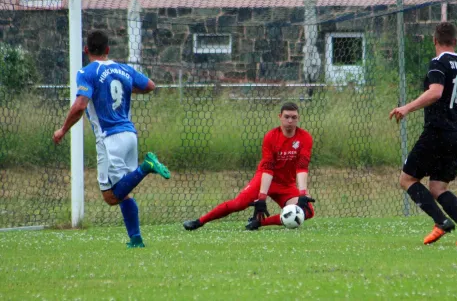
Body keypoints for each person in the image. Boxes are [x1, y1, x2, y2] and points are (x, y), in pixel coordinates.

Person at [53, 30, 171, 248]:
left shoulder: (87, 72)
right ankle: (135, 239)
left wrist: (62, 130)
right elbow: (150, 86)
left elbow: (80, 106)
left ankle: (147, 166)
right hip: (129, 136)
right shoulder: (124, 69)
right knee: (123, 191)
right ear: (108, 50)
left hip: (110, 139)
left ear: (86, 50)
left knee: (110, 196)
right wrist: (126, 87)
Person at [389, 22, 457, 246]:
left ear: (434, 40)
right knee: (438, 188)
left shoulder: (438, 63)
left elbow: (436, 92)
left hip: (438, 131)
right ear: (455, 41)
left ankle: (441, 221)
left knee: (407, 179)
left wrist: (406, 107)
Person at [183, 102, 315, 231]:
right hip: (265, 179)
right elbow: (268, 168)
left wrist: (303, 193)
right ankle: (199, 222)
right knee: (238, 204)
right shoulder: (271, 137)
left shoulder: (305, 138)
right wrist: (262, 197)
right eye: (286, 117)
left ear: (299, 118)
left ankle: (259, 222)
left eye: (294, 117)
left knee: (307, 211)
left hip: (286, 185)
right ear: (279, 116)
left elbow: (302, 167)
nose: (290, 121)